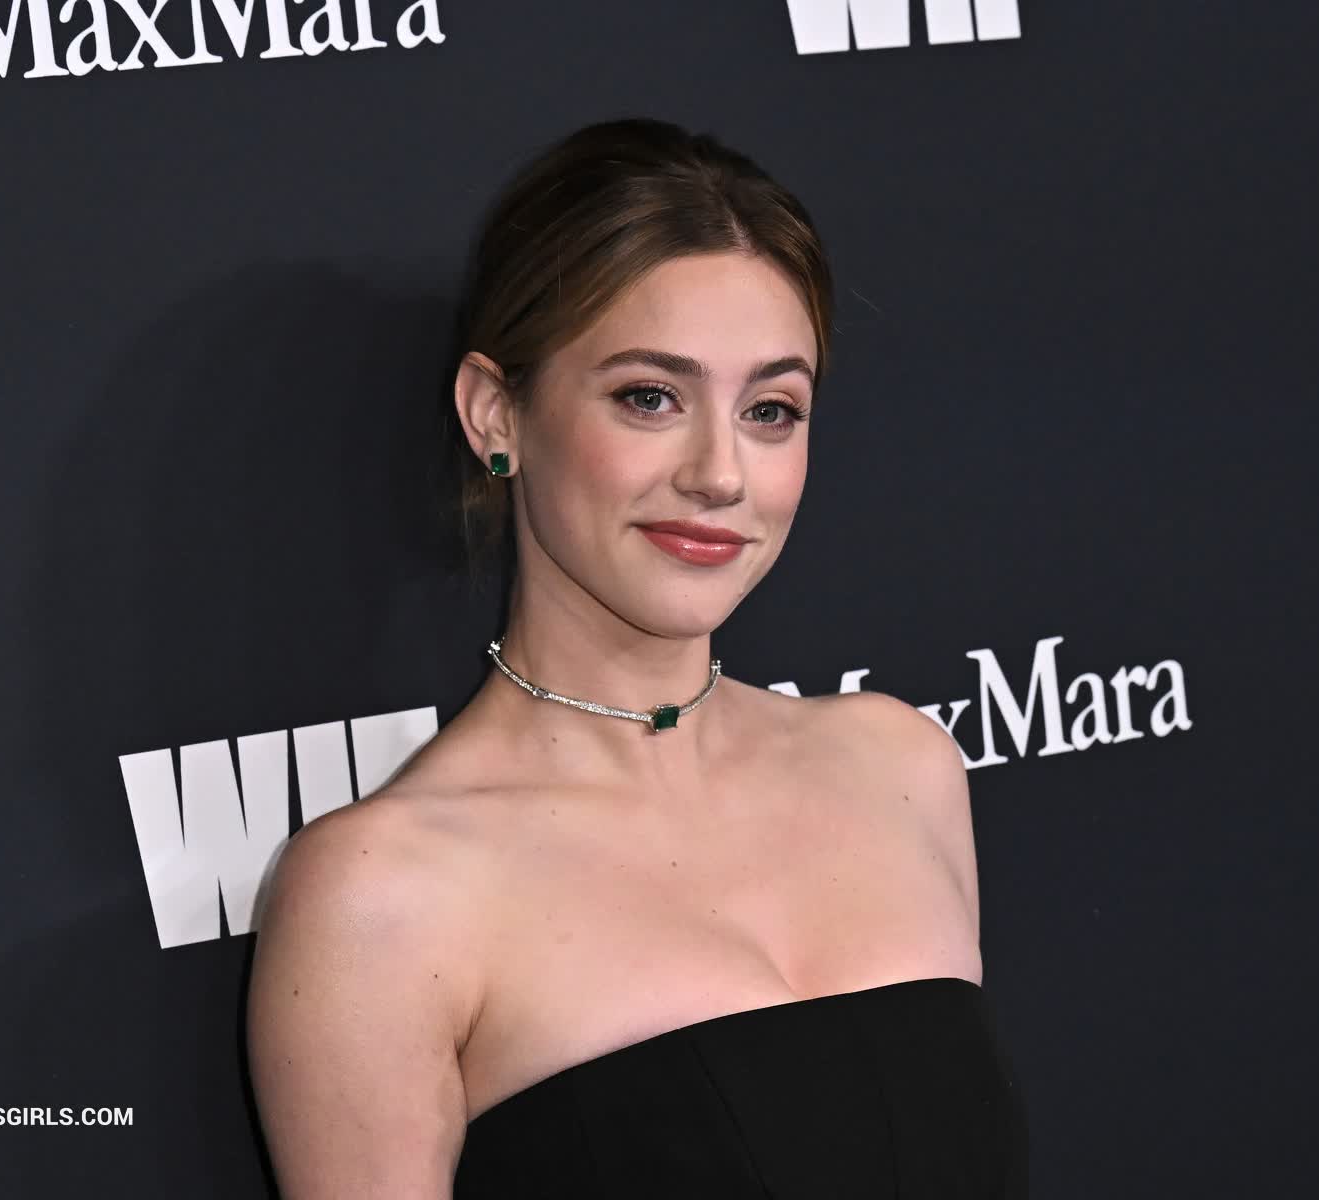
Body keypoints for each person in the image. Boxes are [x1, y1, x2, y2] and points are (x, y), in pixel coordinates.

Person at [245, 116, 1028, 1198]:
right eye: (649, 397)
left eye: (771, 410)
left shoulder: (901, 769)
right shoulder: (383, 897)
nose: (721, 474)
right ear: (495, 413)